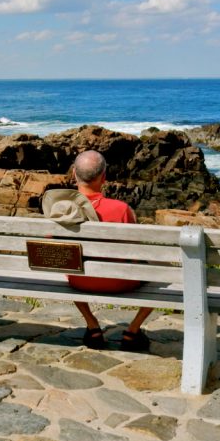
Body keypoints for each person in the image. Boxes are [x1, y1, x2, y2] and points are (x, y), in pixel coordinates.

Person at [43, 150, 152, 352]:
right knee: (158, 270)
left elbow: (53, 252)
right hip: (121, 283)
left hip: (79, 282)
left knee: (72, 265)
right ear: (103, 177)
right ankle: (133, 330)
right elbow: (138, 251)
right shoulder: (121, 209)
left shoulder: (59, 212)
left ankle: (92, 325)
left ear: (74, 173)